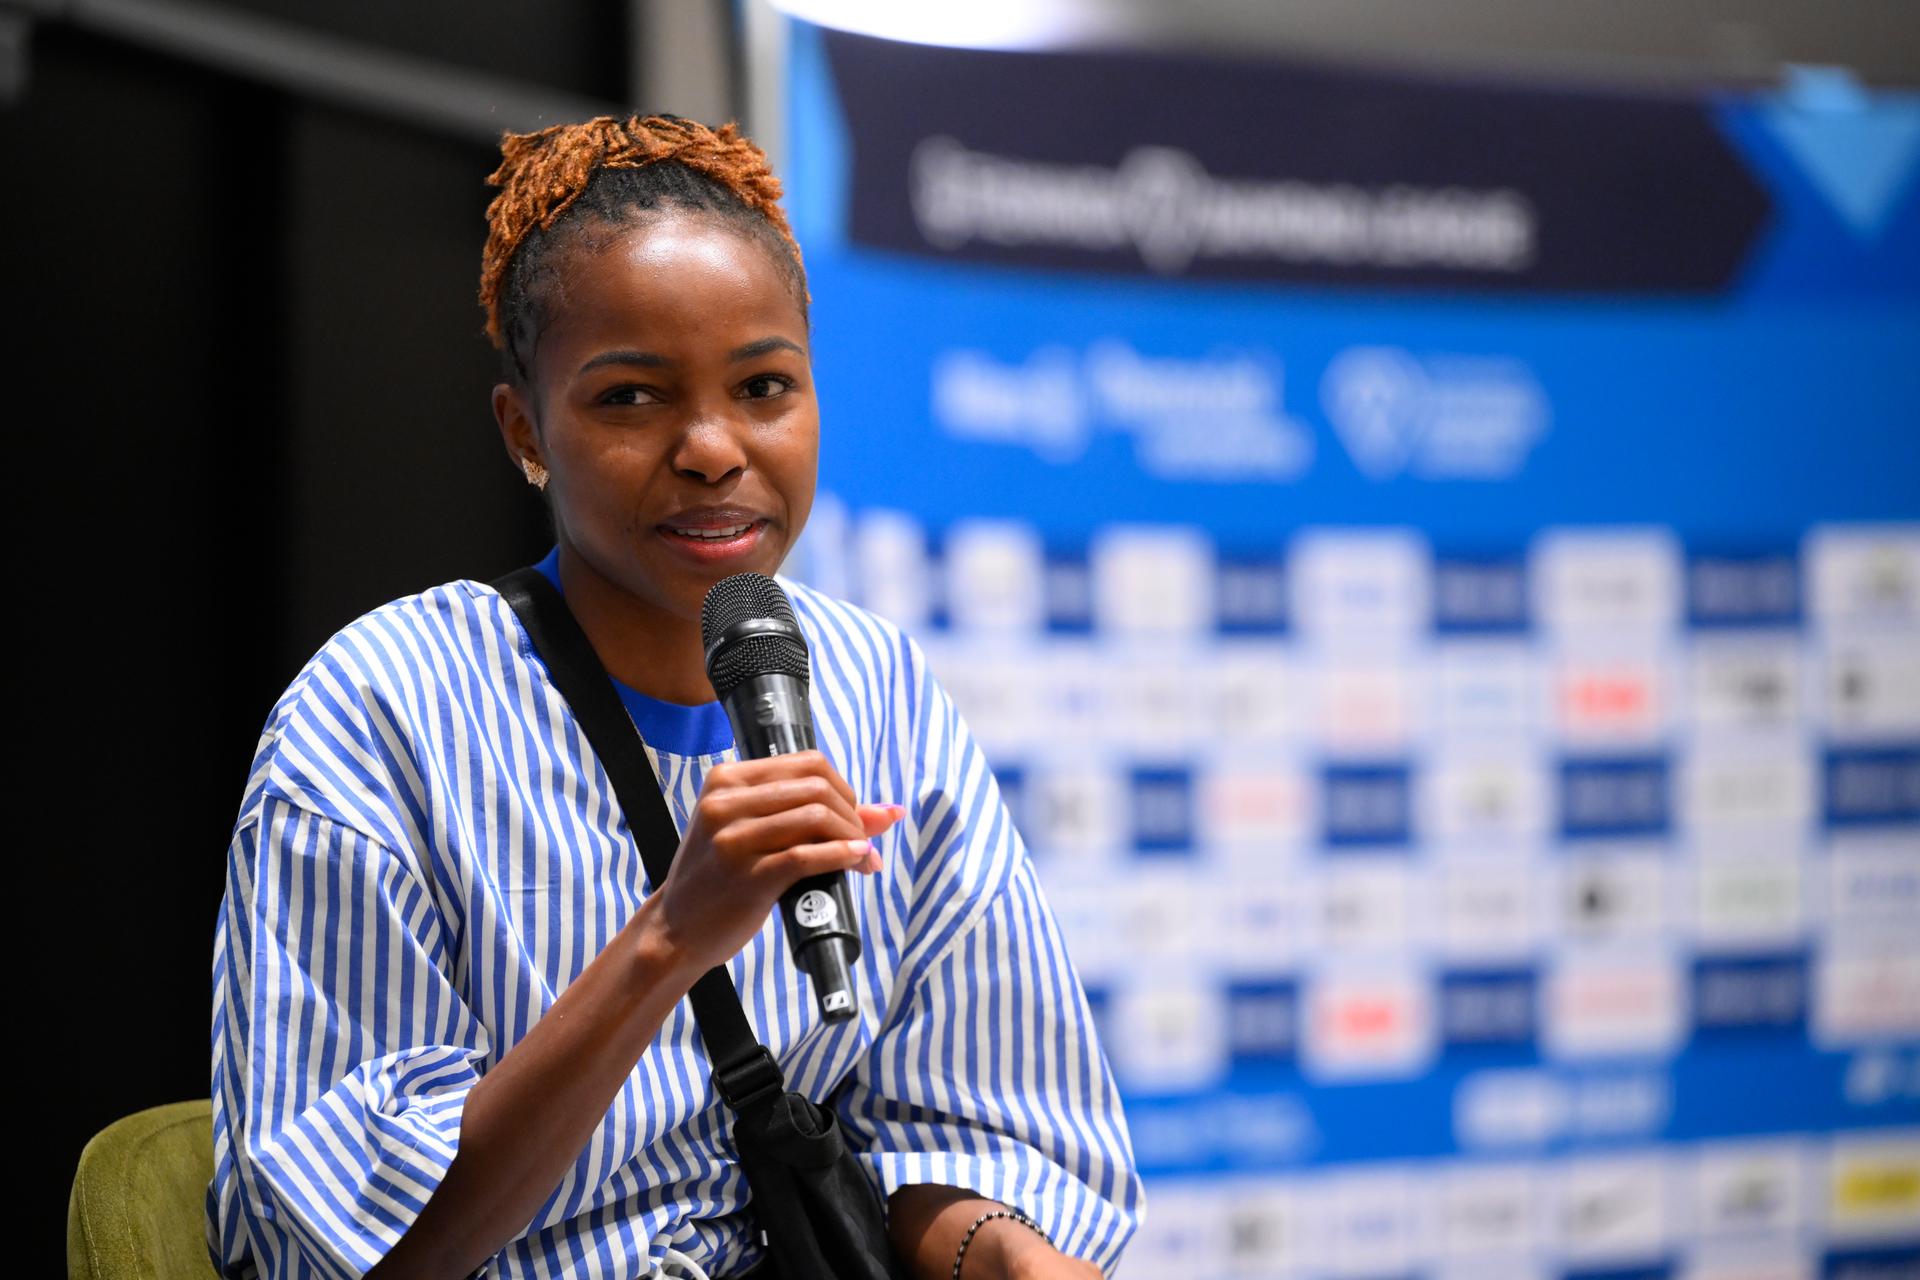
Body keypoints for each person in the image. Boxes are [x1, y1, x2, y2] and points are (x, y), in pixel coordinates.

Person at [207, 114, 1143, 1280]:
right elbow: (358, 1251)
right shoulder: (380, 710)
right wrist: (667, 939)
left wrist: (1001, 1257)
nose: (712, 447)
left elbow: (966, 1124)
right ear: (524, 432)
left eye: (763, 385)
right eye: (632, 399)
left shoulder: (880, 688)